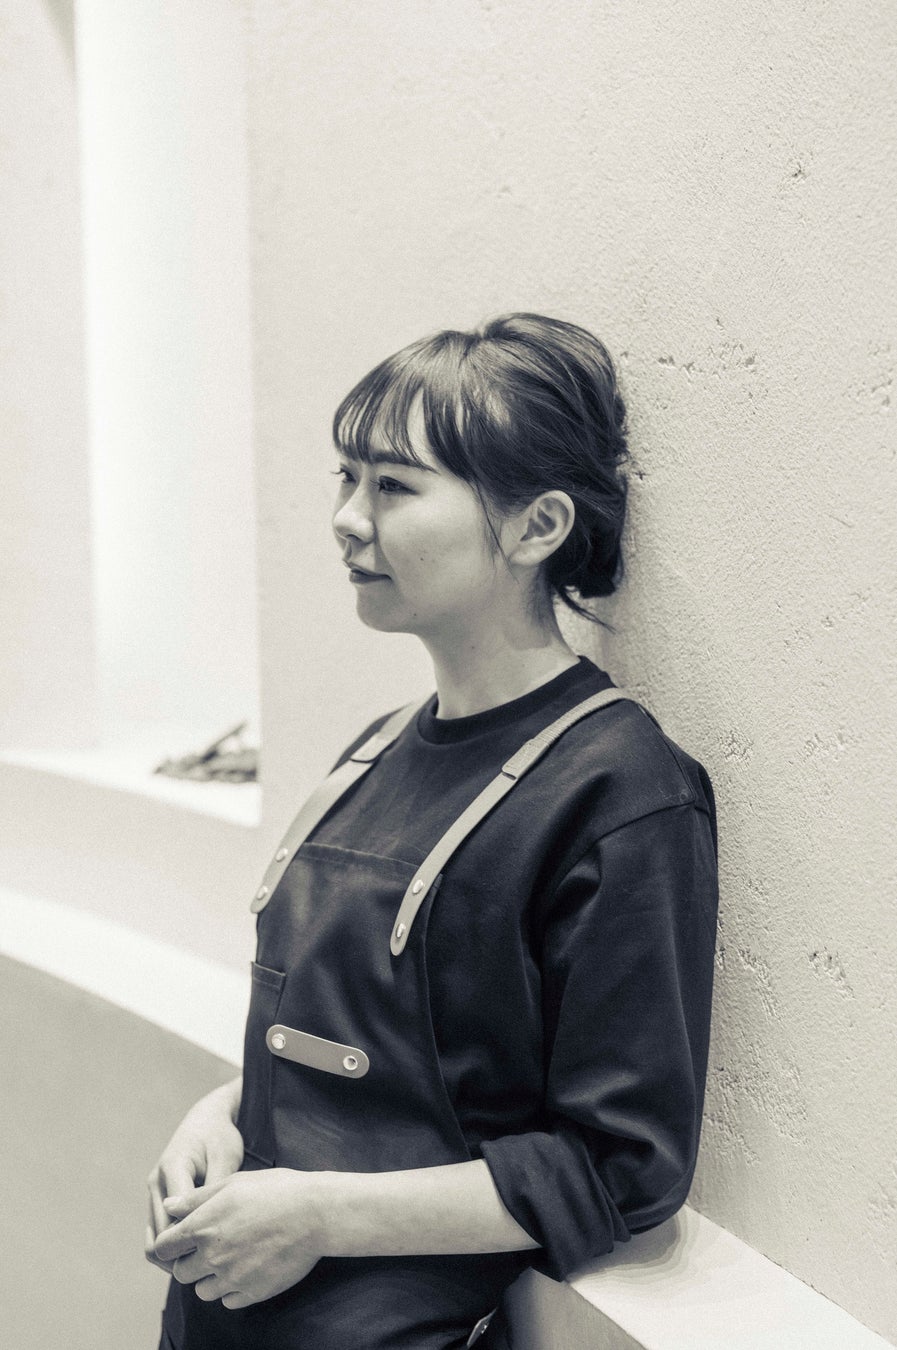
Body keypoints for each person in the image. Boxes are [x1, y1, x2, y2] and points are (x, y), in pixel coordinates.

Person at [148, 313, 719, 1350]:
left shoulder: (620, 792)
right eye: (346, 478)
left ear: (537, 527)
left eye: (394, 487)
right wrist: (228, 1113)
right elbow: (390, 1067)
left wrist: (320, 1217)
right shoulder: (372, 755)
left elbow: (619, 1166)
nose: (346, 520)